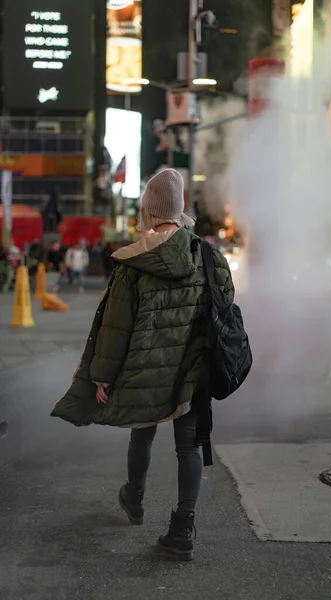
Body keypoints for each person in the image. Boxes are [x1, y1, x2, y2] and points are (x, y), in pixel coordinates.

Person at [51, 168, 234, 561]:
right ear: (180, 209)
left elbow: (116, 327)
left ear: (149, 212)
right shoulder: (208, 254)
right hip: (191, 370)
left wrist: (102, 376)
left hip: (142, 370)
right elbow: (226, 306)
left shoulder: (133, 262)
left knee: (142, 434)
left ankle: (134, 497)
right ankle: (183, 526)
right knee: (189, 446)